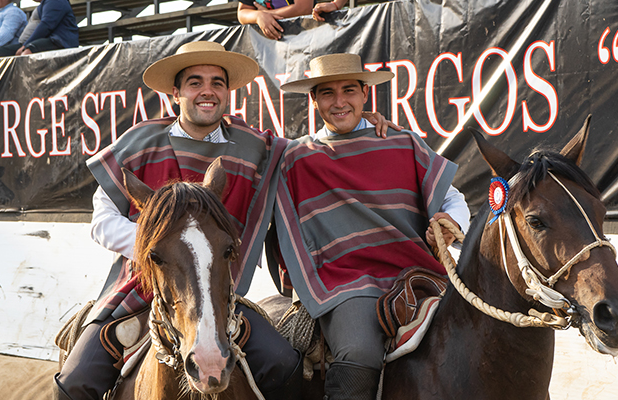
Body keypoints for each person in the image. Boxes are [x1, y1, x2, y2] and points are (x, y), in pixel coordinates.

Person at [54, 41, 397, 400]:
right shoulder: (139, 141)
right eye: (195, 82)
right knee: (74, 383)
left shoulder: (255, 147)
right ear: (176, 92)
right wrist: (166, 248)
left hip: (219, 293)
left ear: (227, 91)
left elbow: (315, 150)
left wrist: (359, 125)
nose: (207, 91)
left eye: (217, 82)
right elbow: (102, 220)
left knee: (285, 365)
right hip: (139, 289)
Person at [275, 53, 470, 400]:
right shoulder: (294, 158)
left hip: (420, 274)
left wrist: (451, 222)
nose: (339, 102)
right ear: (313, 99)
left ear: (365, 94)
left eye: (349, 90)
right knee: (359, 351)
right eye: (327, 93)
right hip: (345, 284)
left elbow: (452, 199)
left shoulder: (403, 142)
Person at [237, 0, 315, 40]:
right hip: (275, 43)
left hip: (307, 35)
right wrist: (258, 16)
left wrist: (267, 14)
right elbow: (242, 13)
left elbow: (304, 8)